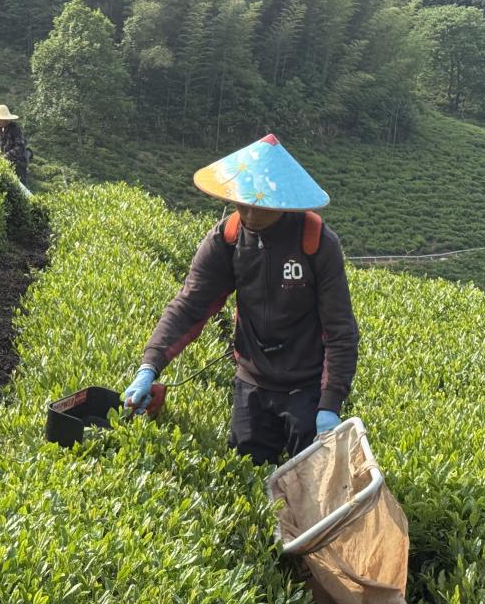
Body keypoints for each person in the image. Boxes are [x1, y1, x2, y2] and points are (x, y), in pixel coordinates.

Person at [122, 134, 360, 465]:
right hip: (252, 379)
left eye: (256, 204)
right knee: (246, 468)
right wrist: (150, 365)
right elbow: (190, 305)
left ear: (280, 201)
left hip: (307, 386)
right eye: (241, 202)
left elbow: (340, 328)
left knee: (309, 479)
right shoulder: (227, 239)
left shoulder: (317, 242)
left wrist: (330, 403)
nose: (247, 212)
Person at [0, 104, 31, 185]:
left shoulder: (15, 129)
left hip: (18, 165)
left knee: (21, 188)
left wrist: (5, 157)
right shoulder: (0, 129)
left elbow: (19, 147)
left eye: (0, 119)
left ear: (6, 119)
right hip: (7, 165)